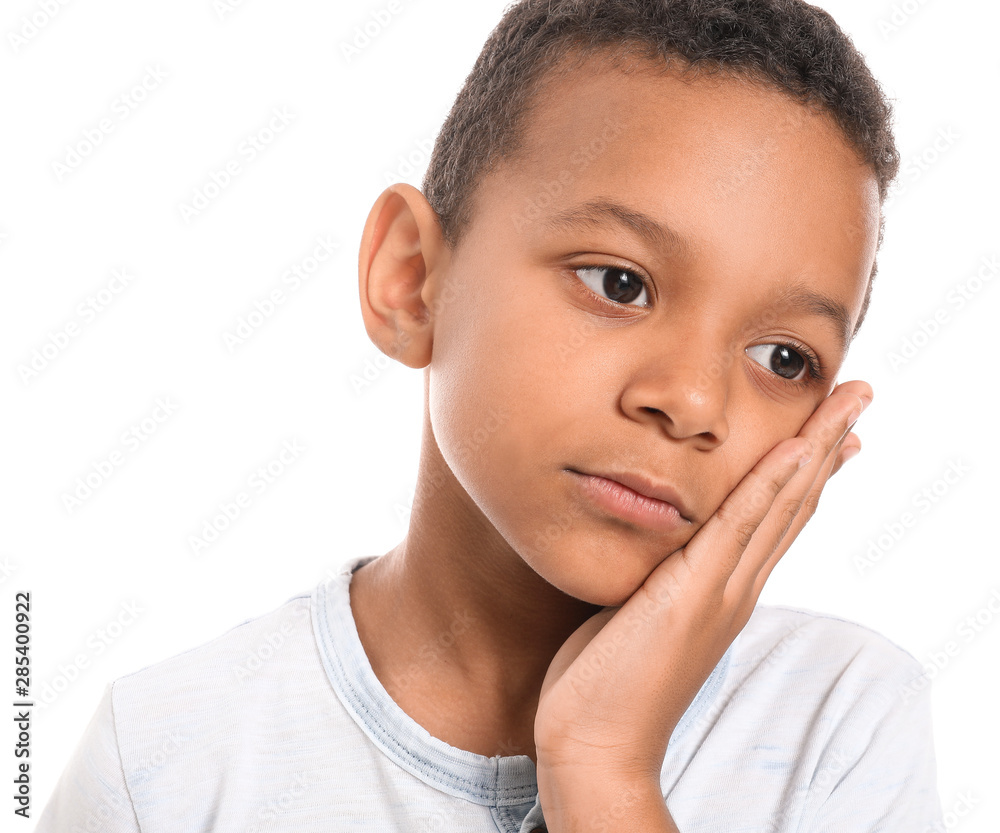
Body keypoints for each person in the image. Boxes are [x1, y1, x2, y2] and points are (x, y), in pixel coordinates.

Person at [37, 1, 945, 830]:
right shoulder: (163, 760)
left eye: (783, 359)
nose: (694, 402)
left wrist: (604, 766)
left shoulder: (842, 721)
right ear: (412, 280)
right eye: (619, 283)